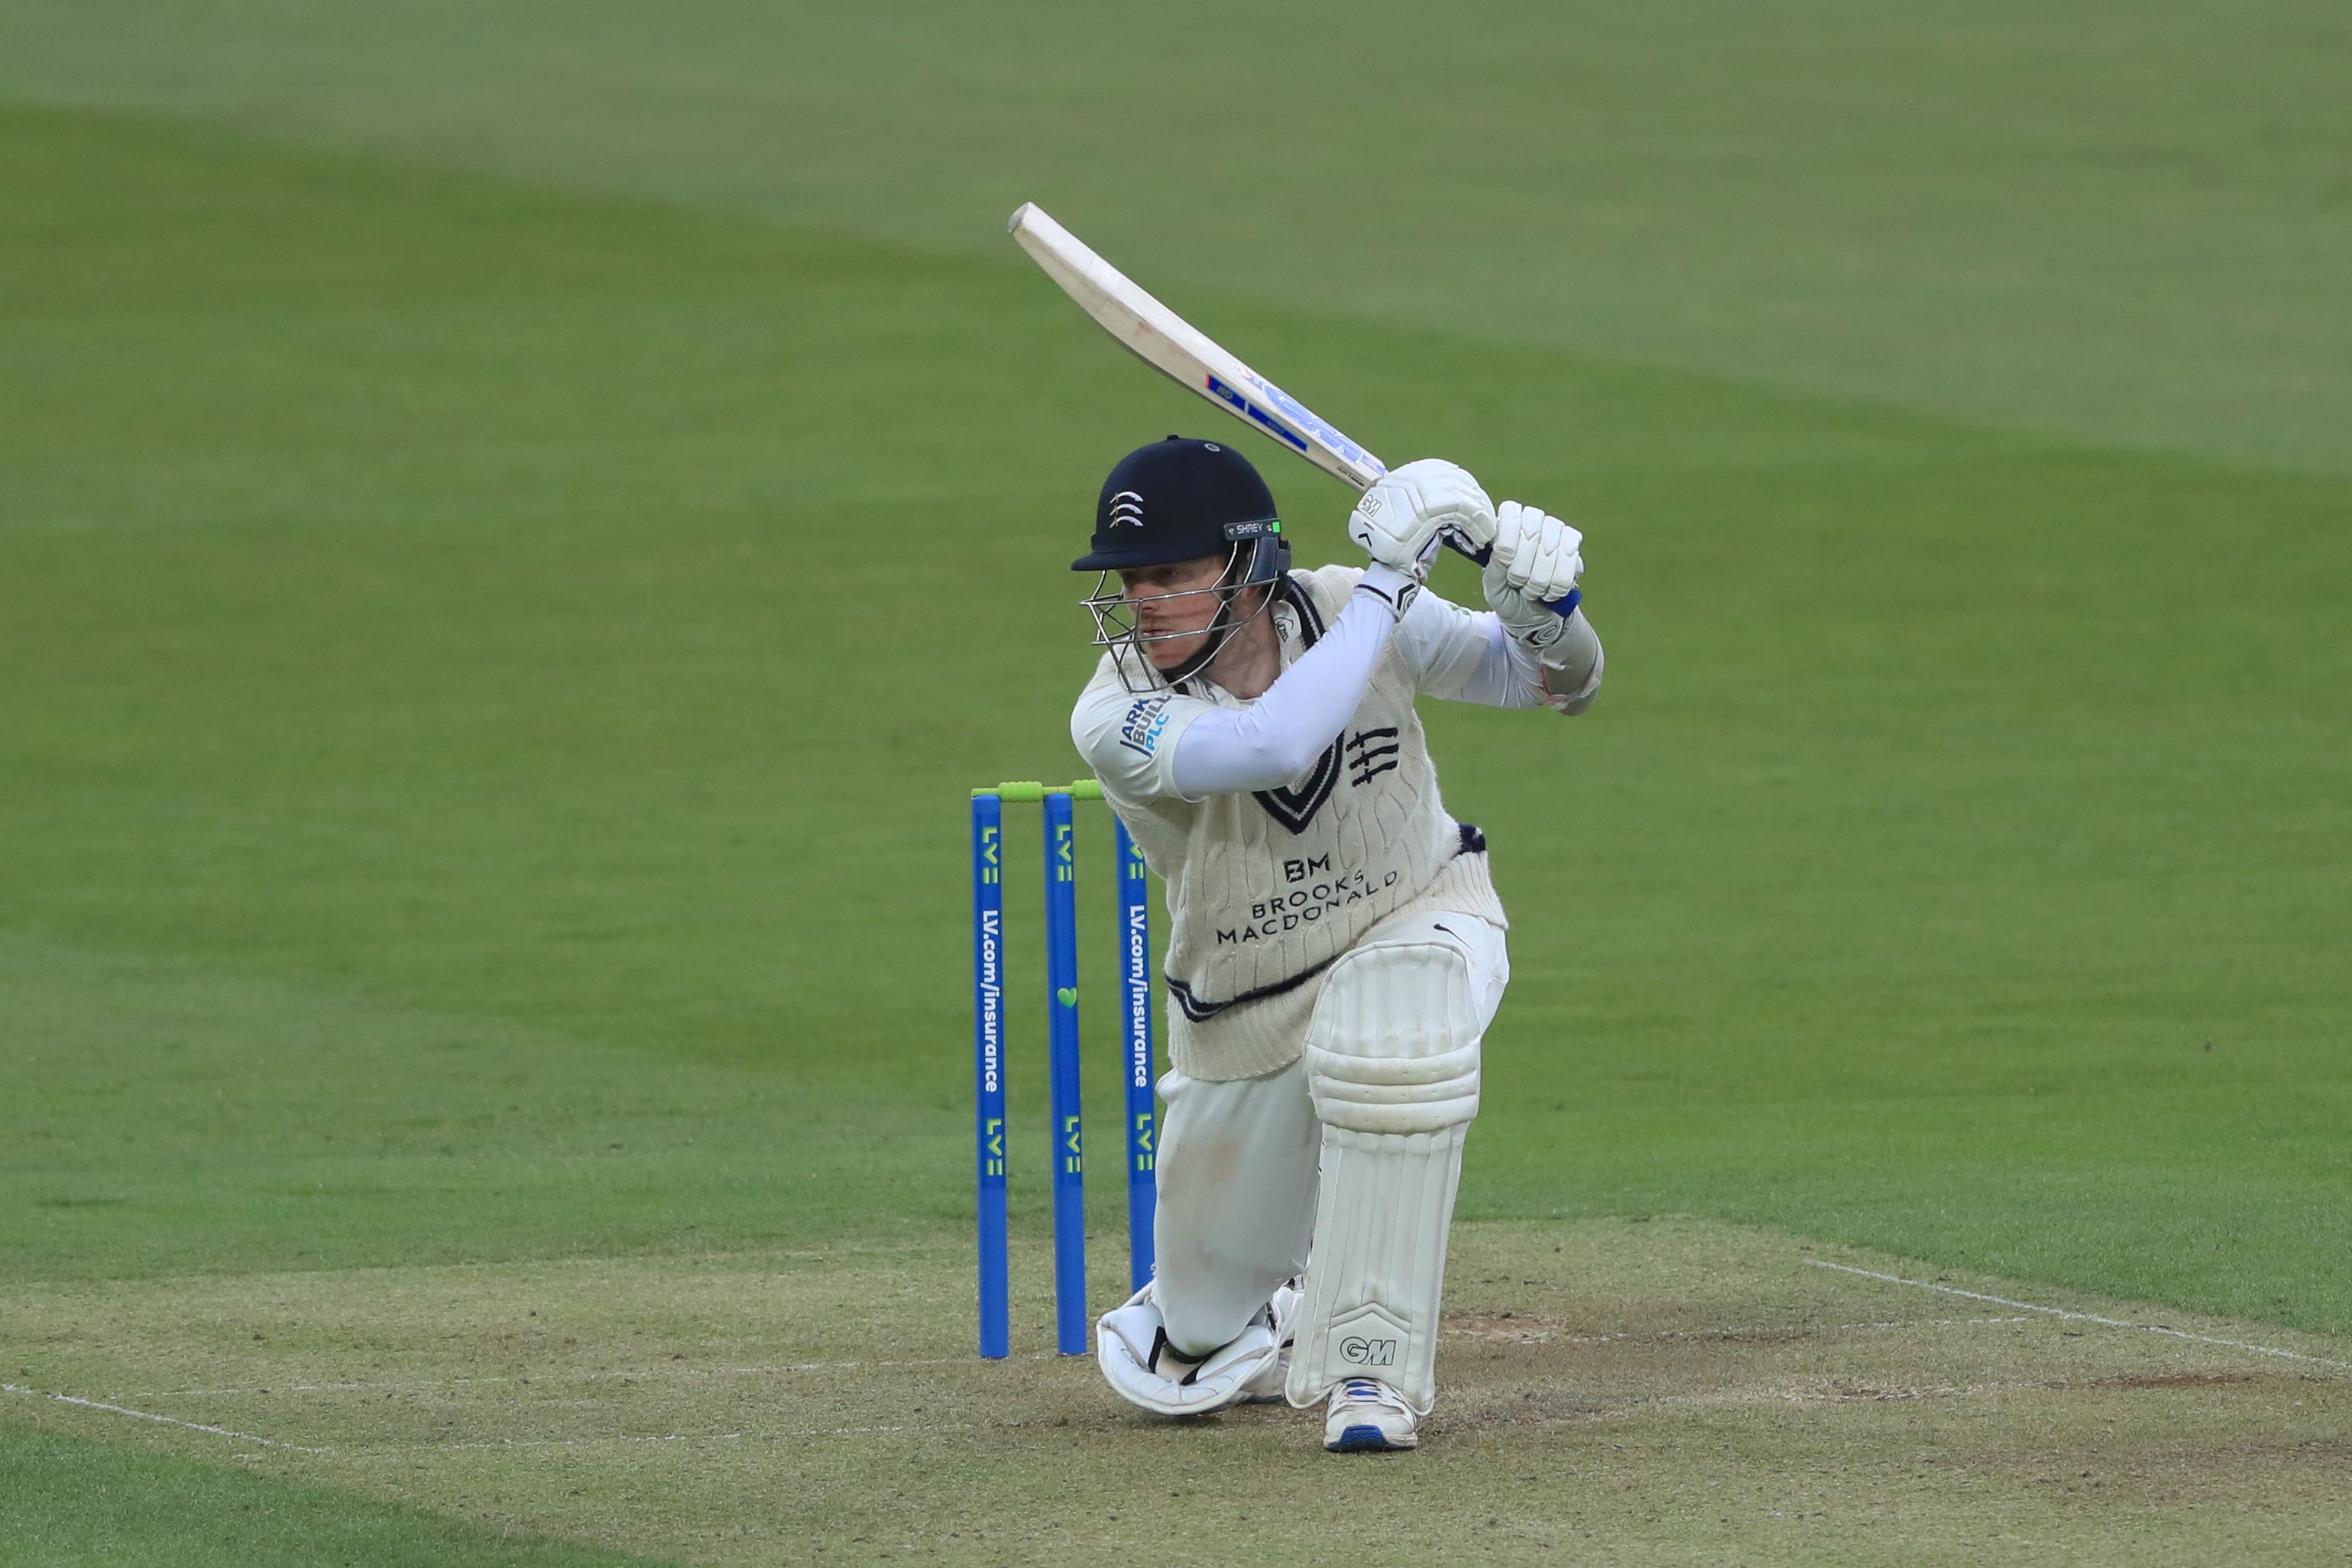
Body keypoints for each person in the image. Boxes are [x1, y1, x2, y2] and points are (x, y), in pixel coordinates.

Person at [1067, 435, 1602, 1452]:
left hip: (1421, 910)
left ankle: (1370, 1374)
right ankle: (1265, 1308)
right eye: (1132, 579)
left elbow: (1554, 686)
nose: (1145, 601)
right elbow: (1273, 742)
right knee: (1198, 1335)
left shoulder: (1346, 603)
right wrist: (1395, 582)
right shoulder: (1114, 713)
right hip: (1245, 1005)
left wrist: (1548, 616)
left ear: (1249, 562)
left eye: (1172, 575)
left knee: (1394, 1032)